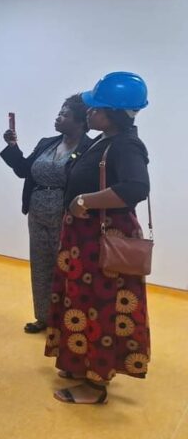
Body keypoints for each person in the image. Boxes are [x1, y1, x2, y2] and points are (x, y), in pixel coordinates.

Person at [45, 72, 150, 405]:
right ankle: (80, 364)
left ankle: (95, 384)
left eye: (96, 108)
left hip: (101, 240)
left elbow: (136, 188)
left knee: (99, 307)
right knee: (81, 303)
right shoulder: (106, 139)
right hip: (85, 239)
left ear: (113, 113)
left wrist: (85, 201)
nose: (89, 112)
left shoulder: (126, 145)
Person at [0, 95, 91, 334]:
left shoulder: (89, 148)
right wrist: (13, 147)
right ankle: (43, 316)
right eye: (59, 113)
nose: (58, 117)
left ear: (81, 122)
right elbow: (24, 170)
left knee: (67, 268)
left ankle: (67, 320)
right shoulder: (47, 143)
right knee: (40, 265)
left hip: (68, 216)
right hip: (37, 212)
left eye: (65, 115)